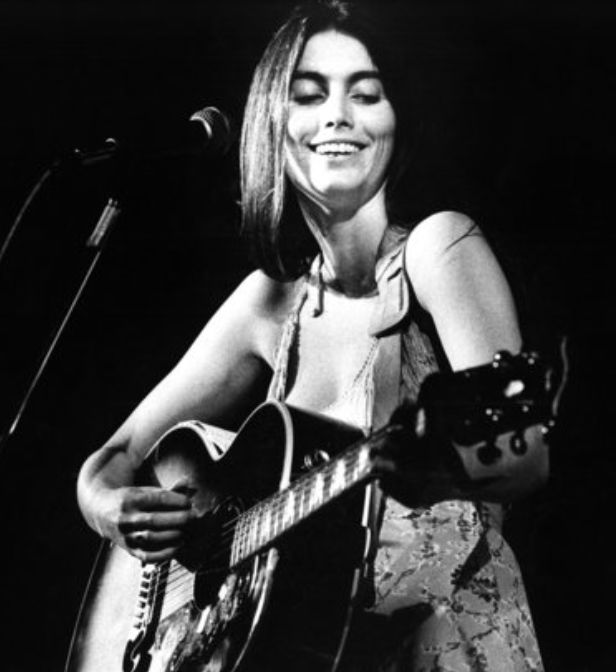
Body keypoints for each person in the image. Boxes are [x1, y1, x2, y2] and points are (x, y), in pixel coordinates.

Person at [77, 1, 550, 669]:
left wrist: (431, 467)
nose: (338, 114)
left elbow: (524, 458)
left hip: (441, 642)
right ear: (275, 124)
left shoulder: (438, 251)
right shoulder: (270, 304)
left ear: (393, 125)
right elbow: (113, 459)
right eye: (309, 95)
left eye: (366, 93)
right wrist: (112, 510)